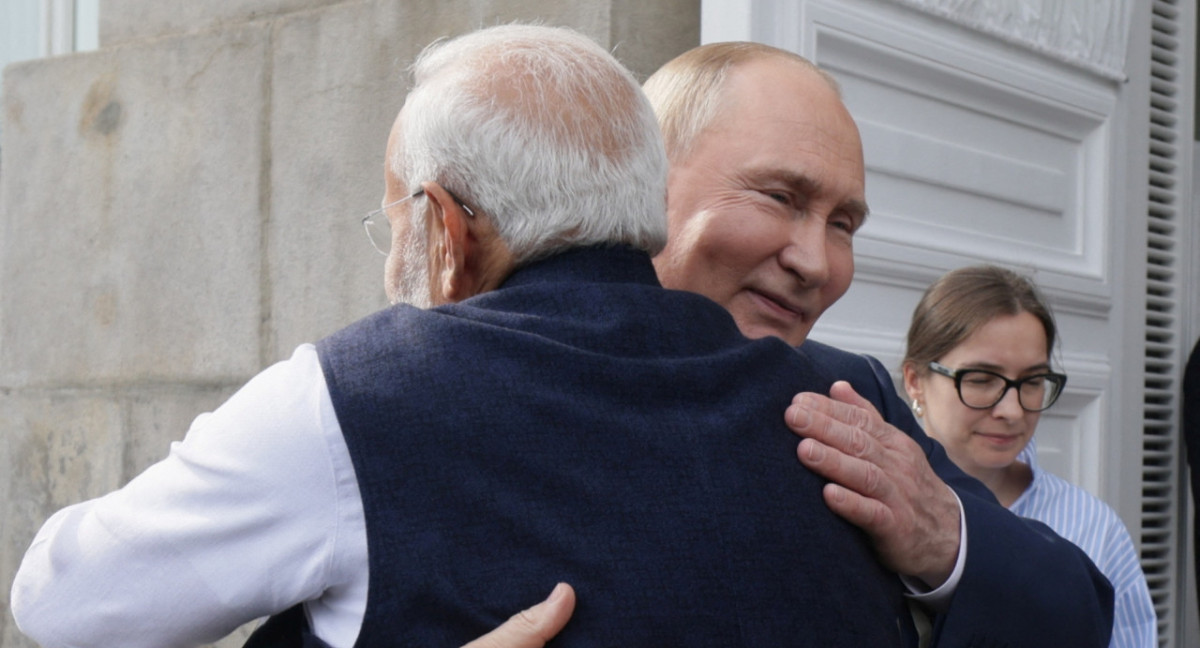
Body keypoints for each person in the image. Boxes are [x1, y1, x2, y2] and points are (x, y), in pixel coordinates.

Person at [10, 25, 921, 648]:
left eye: (393, 225)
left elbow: (64, 604)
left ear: (446, 229)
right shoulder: (823, 423)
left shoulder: (353, 399)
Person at [472, 41, 1116, 647]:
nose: (816, 263)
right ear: (646, 179)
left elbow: (1079, 610)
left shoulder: (848, 396)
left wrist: (942, 535)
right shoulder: (475, 387)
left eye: (843, 224)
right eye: (780, 197)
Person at [900, 265, 1156, 647]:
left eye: (1033, 382)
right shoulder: (869, 504)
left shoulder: (1093, 530)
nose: (1013, 411)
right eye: (982, 379)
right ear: (916, 381)